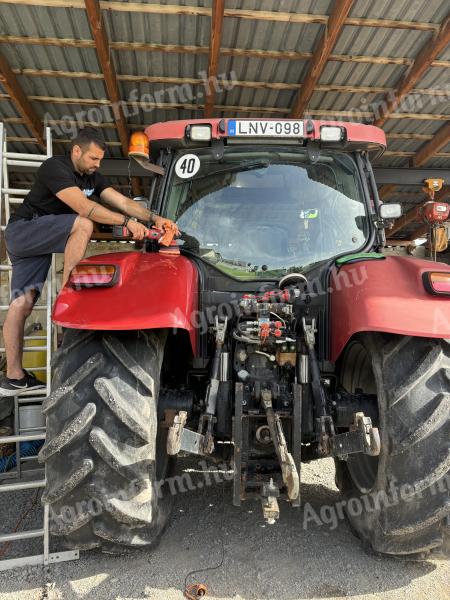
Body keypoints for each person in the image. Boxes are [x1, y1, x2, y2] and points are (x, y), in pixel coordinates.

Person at [0, 127, 178, 396]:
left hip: (37, 239)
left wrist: (153, 218)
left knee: (21, 303)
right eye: (93, 158)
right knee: (83, 224)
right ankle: (71, 291)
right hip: (24, 230)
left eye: (100, 160)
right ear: (76, 151)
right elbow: (84, 208)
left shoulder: (92, 176)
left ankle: (13, 377)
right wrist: (126, 223)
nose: (97, 164)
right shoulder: (54, 168)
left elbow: (123, 202)